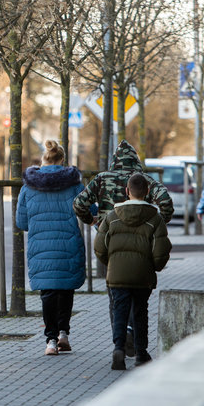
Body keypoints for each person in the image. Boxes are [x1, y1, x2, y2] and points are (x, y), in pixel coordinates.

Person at [73, 139, 173, 357]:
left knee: (116, 294)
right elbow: (165, 200)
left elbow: (79, 203)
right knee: (139, 301)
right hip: (141, 243)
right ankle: (135, 341)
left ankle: (119, 340)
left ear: (115, 160)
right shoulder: (143, 179)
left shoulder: (102, 179)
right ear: (135, 161)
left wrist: (93, 222)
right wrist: (159, 223)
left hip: (112, 240)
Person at [94, 173, 172, 370]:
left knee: (119, 310)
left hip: (117, 274)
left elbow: (100, 247)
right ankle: (141, 353)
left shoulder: (111, 217)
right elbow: (161, 250)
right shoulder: (155, 219)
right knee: (140, 312)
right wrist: (153, 267)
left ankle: (118, 349)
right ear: (147, 193)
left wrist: (111, 263)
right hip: (142, 275)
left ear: (127, 192)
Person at [16, 140, 86, 356]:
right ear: (62, 161)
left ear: (43, 159)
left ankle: (50, 341)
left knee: (48, 293)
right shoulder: (74, 184)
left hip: (41, 246)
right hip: (68, 243)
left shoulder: (28, 187)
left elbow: (22, 223)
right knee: (66, 289)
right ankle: (64, 332)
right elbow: (87, 208)